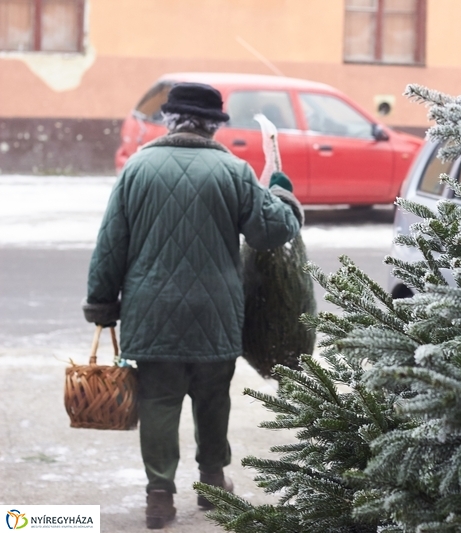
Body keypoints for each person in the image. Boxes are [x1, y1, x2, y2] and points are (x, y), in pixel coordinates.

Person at [81, 82, 303, 529]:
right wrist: (280, 194)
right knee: (212, 399)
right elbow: (273, 232)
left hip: (151, 311)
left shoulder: (138, 168)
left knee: (159, 402)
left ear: (170, 120)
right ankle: (212, 483)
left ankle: (159, 497)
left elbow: (111, 244)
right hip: (216, 312)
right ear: (213, 125)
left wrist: (102, 303)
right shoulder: (234, 171)